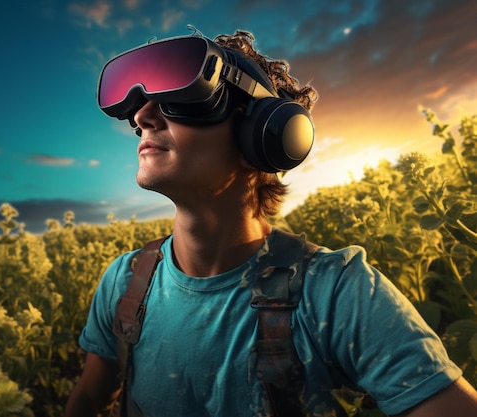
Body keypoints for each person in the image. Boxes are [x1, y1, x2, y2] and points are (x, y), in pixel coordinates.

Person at [65, 28, 477, 417]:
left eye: (183, 97)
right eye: (140, 107)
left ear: (263, 134)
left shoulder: (334, 292)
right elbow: (87, 398)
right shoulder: (124, 282)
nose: (143, 117)